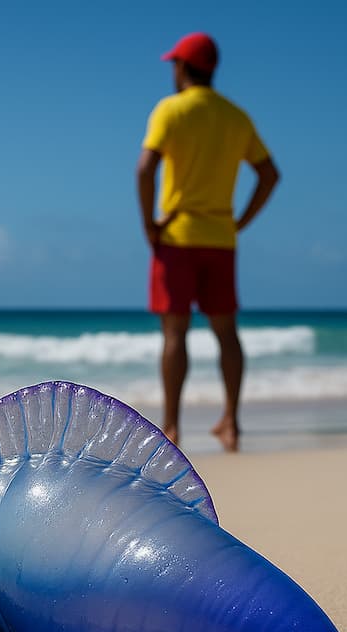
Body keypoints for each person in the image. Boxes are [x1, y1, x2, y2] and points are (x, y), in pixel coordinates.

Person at [136, 32, 279, 452]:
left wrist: (148, 226)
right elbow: (269, 174)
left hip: (177, 235)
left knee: (174, 334)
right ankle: (231, 422)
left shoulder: (171, 110)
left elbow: (145, 169)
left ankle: (172, 427)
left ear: (182, 67)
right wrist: (240, 222)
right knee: (226, 332)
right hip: (220, 238)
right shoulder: (236, 117)